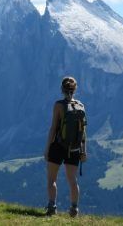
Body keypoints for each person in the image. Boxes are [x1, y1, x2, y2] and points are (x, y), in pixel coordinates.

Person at [44, 76, 88, 217]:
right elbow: (84, 132)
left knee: (52, 179)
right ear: (75, 90)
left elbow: (53, 128)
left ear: (62, 89)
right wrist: (83, 151)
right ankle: (74, 209)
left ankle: (52, 206)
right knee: (72, 180)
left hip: (58, 146)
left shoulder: (59, 105)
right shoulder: (81, 106)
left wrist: (47, 148)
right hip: (74, 148)